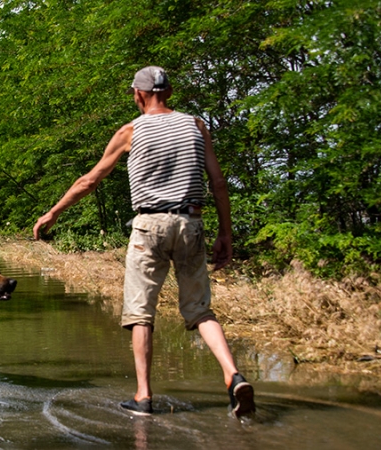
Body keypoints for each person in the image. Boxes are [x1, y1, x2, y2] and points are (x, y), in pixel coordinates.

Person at [32, 66, 255, 418]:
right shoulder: (196, 125)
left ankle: (143, 395)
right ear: (169, 93)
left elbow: (89, 181)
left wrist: (53, 213)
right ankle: (233, 375)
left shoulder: (130, 131)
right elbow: (218, 182)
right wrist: (226, 233)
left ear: (138, 94)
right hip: (191, 223)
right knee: (199, 310)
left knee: (141, 313)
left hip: (149, 225)